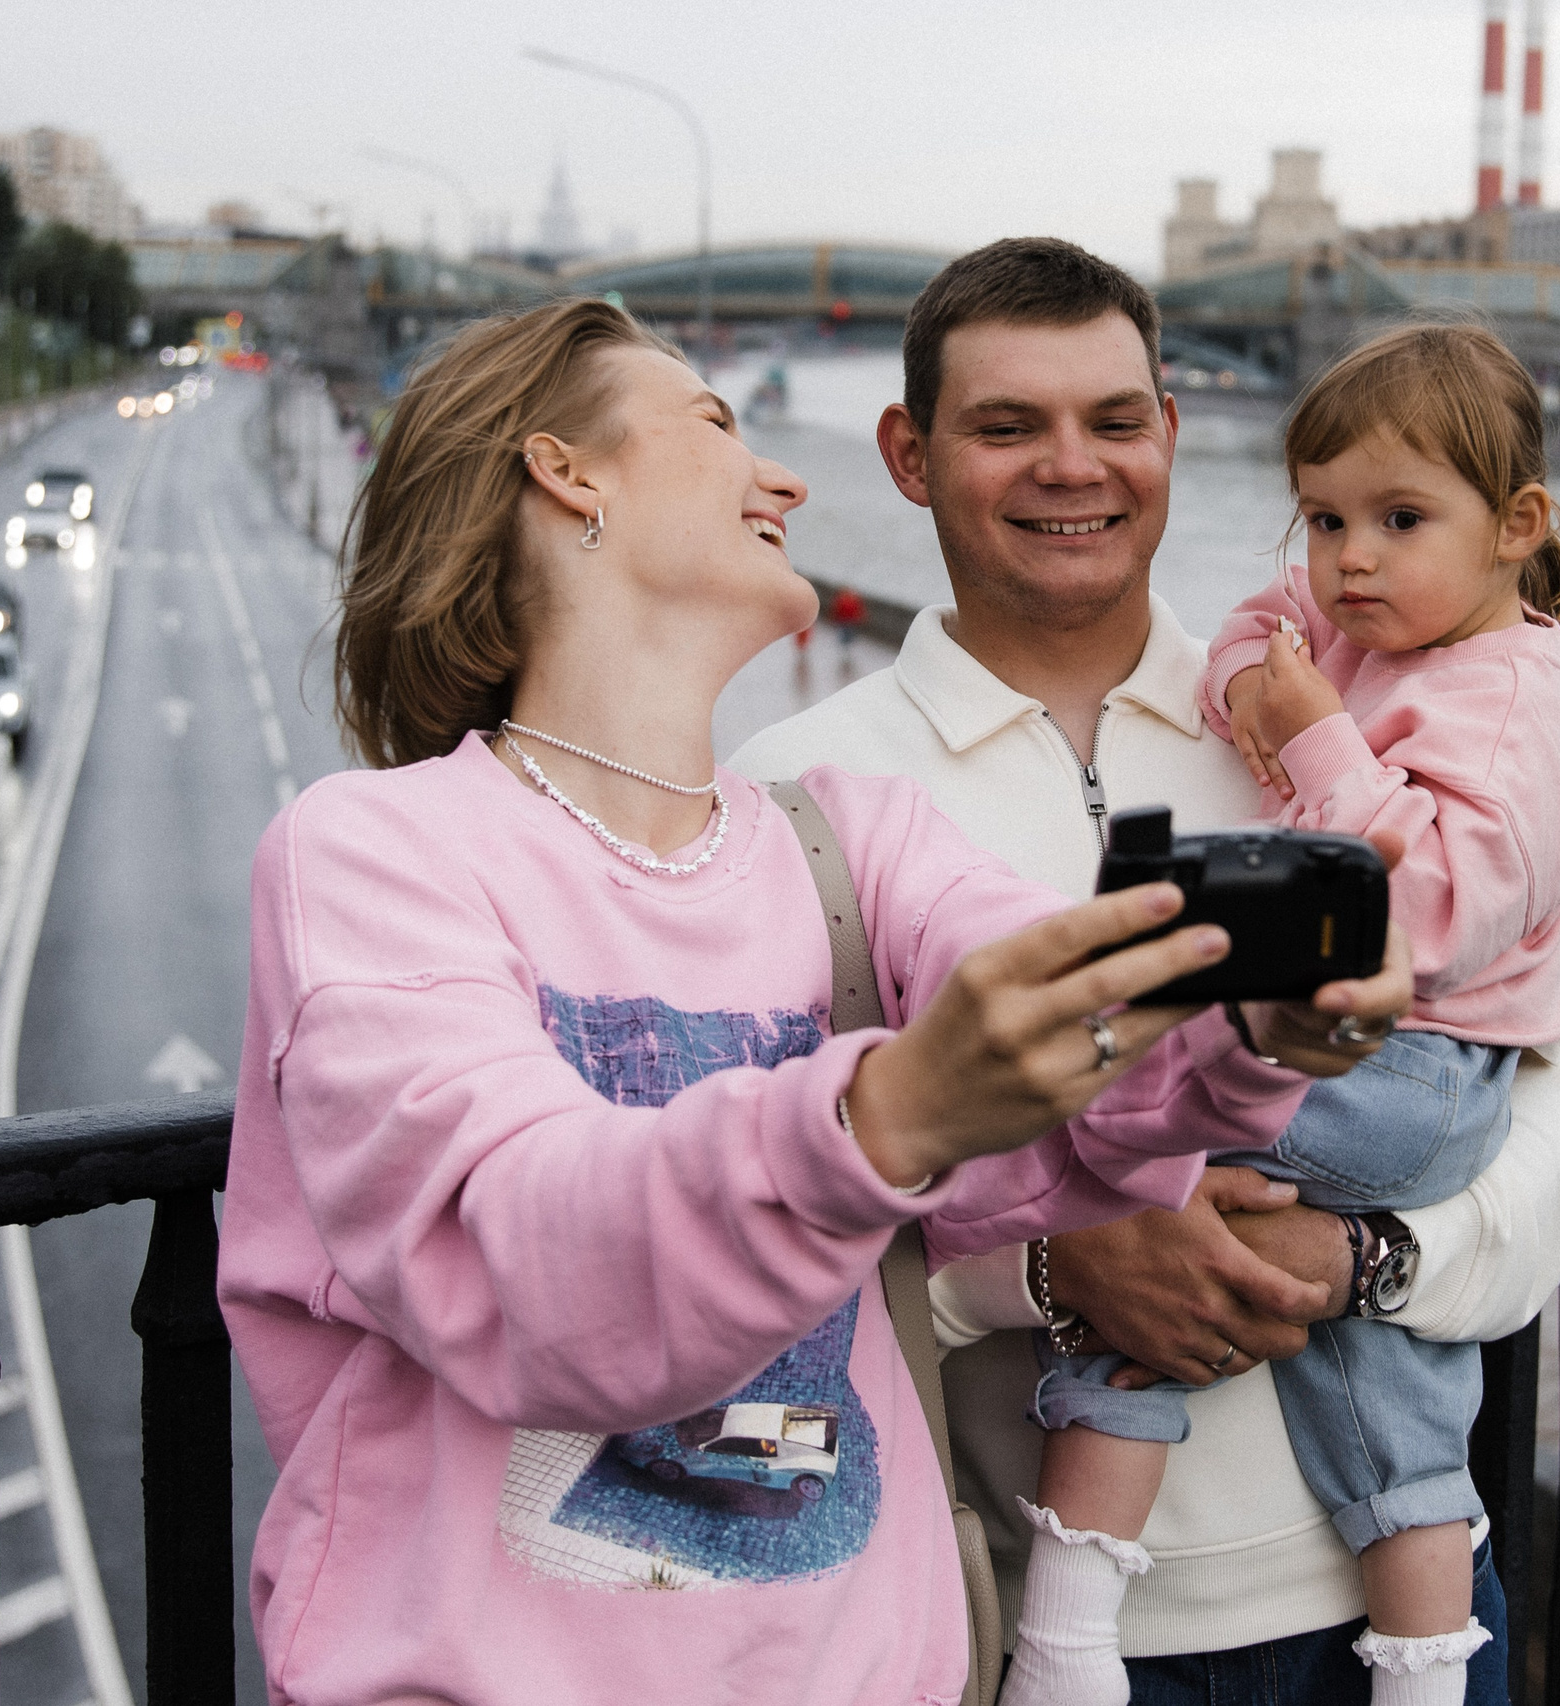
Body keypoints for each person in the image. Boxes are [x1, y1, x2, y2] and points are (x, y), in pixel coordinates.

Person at [215, 297, 1416, 1706]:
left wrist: (1241, 1029)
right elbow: (518, 1255)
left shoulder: (850, 839)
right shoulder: (374, 852)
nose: (781, 476)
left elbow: (1071, 1056)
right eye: (718, 423)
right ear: (566, 473)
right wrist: (887, 1111)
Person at [730, 239, 1560, 1705]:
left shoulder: (1322, 718)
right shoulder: (795, 795)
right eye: (1006, 425)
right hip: (1036, 1628)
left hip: (1395, 1613)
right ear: (908, 454)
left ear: (1172, 430)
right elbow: (745, 1242)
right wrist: (1044, 1262)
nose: (1070, 467)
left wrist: (1377, 1261)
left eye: (1115, 419)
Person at [1014, 321, 1560, 1706]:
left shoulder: (1513, 692)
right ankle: (1422, 1677)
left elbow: (1429, 914)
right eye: (1328, 515)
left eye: (1399, 520)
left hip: (1421, 1061)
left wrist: (1318, 737)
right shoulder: (1362, 620)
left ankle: (1066, 1624)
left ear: (1516, 525)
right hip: (1389, 1063)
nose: (1349, 558)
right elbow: (1259, 622)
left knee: (1128, 1166)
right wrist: (1254, 687)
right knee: (1395, 1412)